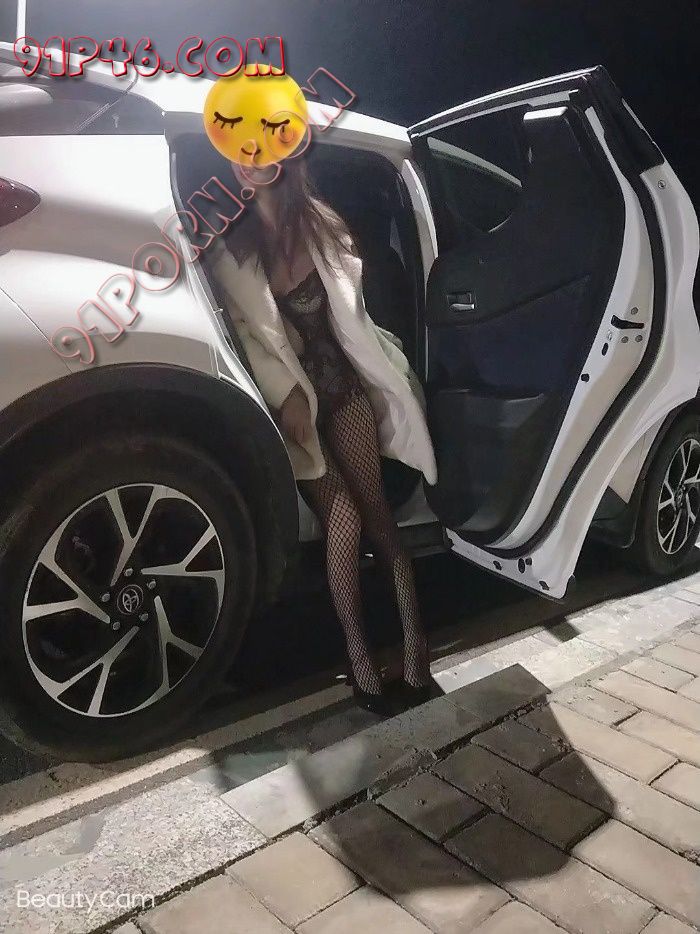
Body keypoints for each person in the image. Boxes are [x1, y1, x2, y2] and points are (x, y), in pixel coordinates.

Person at [211, 155, 439, 715]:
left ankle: (416, 648)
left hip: (345, 390)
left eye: (259, 152)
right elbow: (246, 339)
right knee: (344, 520)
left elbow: (352, 319)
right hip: (295, 409)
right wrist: (284, 393)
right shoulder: (233, 250)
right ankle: (359, 659)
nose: (247, 164)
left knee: (378, 516)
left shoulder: (322, 224)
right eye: (239, 155)